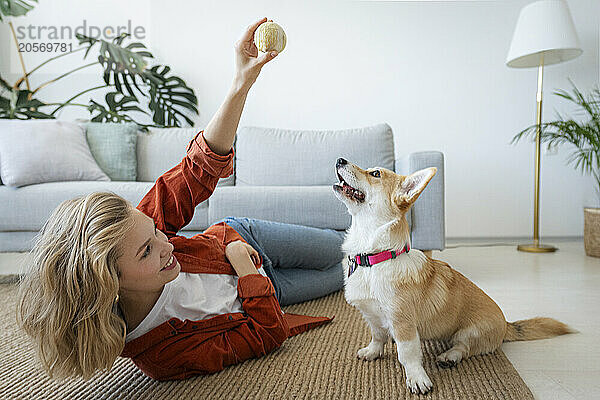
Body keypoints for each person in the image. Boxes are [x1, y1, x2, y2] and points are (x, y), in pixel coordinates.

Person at [16, 17, 345, 381]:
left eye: (155, 233)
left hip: (243, 239)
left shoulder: (136, 230)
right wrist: (247, 273)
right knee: (353, 271)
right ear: (107, 283)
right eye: (147, 250)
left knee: (345, 248)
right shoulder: (162, 356)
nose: (167, 244)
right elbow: (267, 333)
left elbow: (200, 165)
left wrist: (241, 82)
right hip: (264, 287)